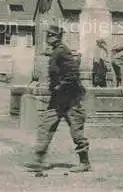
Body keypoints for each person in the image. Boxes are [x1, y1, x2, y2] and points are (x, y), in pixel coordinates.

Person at [24, 25, 91, 173]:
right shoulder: (55, 51)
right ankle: (38, 160)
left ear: (56, 37)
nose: (48, 38)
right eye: (48, 35)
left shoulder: (62, 51)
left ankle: (84, 162)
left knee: (76, 131)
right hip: (57, 100)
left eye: (51, 35)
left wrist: (60, 86)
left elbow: (73, 73)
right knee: (46, 126)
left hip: (71, 99)